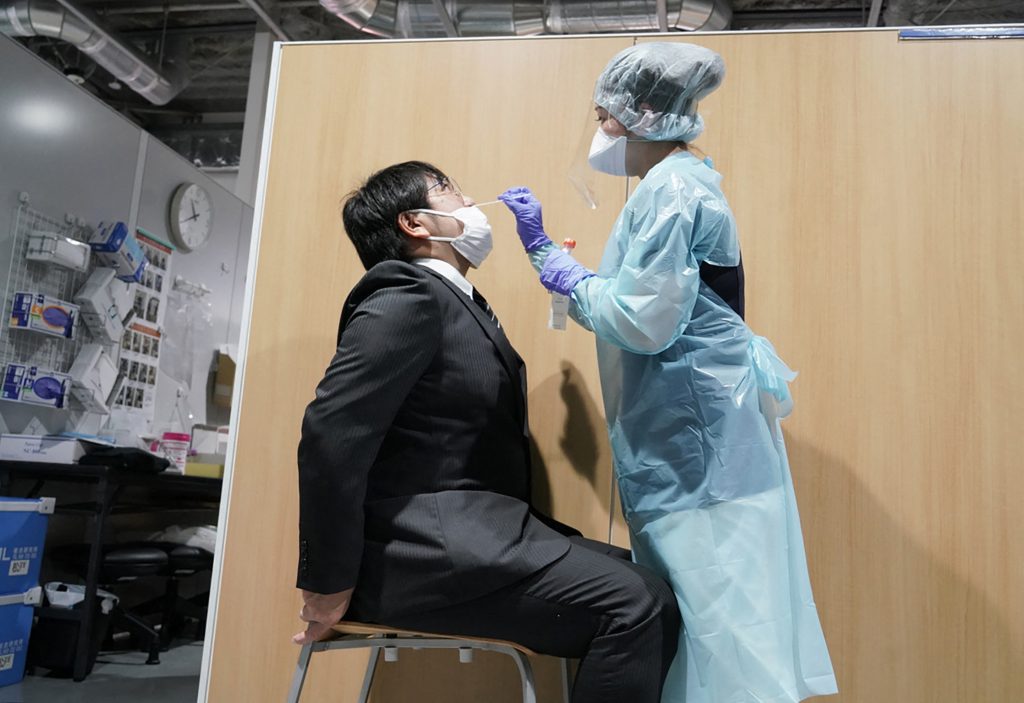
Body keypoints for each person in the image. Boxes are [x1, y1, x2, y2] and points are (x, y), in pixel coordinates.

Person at [499, 43, 838, 703]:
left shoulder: (675, 189)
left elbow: (643, 321)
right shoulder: (671, 186)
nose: (599, 133)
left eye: (605, 117)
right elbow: (651, 304)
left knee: (727, 635)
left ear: (645, 113)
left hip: (701, 454)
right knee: (717, 629)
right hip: (695, 446)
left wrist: (555, 264)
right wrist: (573, 275)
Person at [293, 161, 681, 702]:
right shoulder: (406, 293)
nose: (471, 200)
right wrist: (327, 581)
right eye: (449, 190)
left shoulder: (452, 300)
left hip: (470, 538)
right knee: (637, 604)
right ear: (415, 223)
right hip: (418, 558)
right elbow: (330, 436)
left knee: (648, 584)